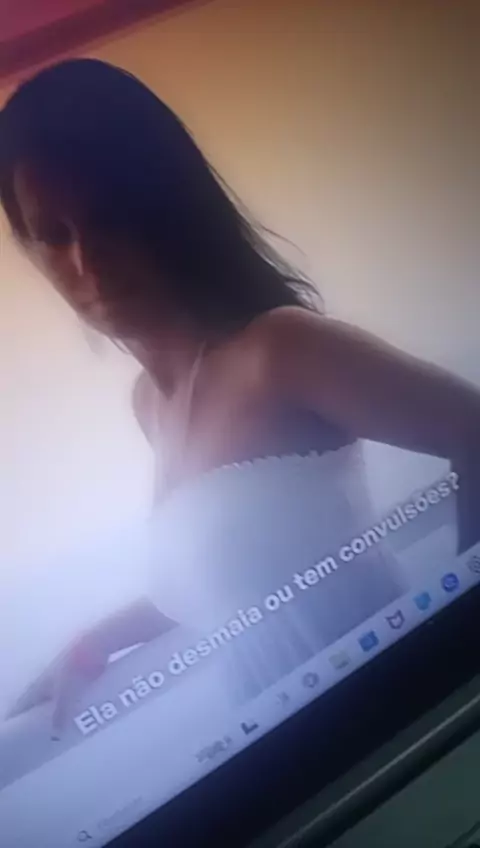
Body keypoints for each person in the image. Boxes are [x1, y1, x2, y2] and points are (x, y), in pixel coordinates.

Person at [1, 59, 479, 733]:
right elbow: (237, 583)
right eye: (54, 234)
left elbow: (473, 429)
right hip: (298, 751)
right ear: (28, 246)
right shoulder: (151, 405)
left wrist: (458, 630)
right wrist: (95, 641)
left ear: (163, 203)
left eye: (108, 217)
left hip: (400, 731)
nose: (87, 261)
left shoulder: (278, 349)